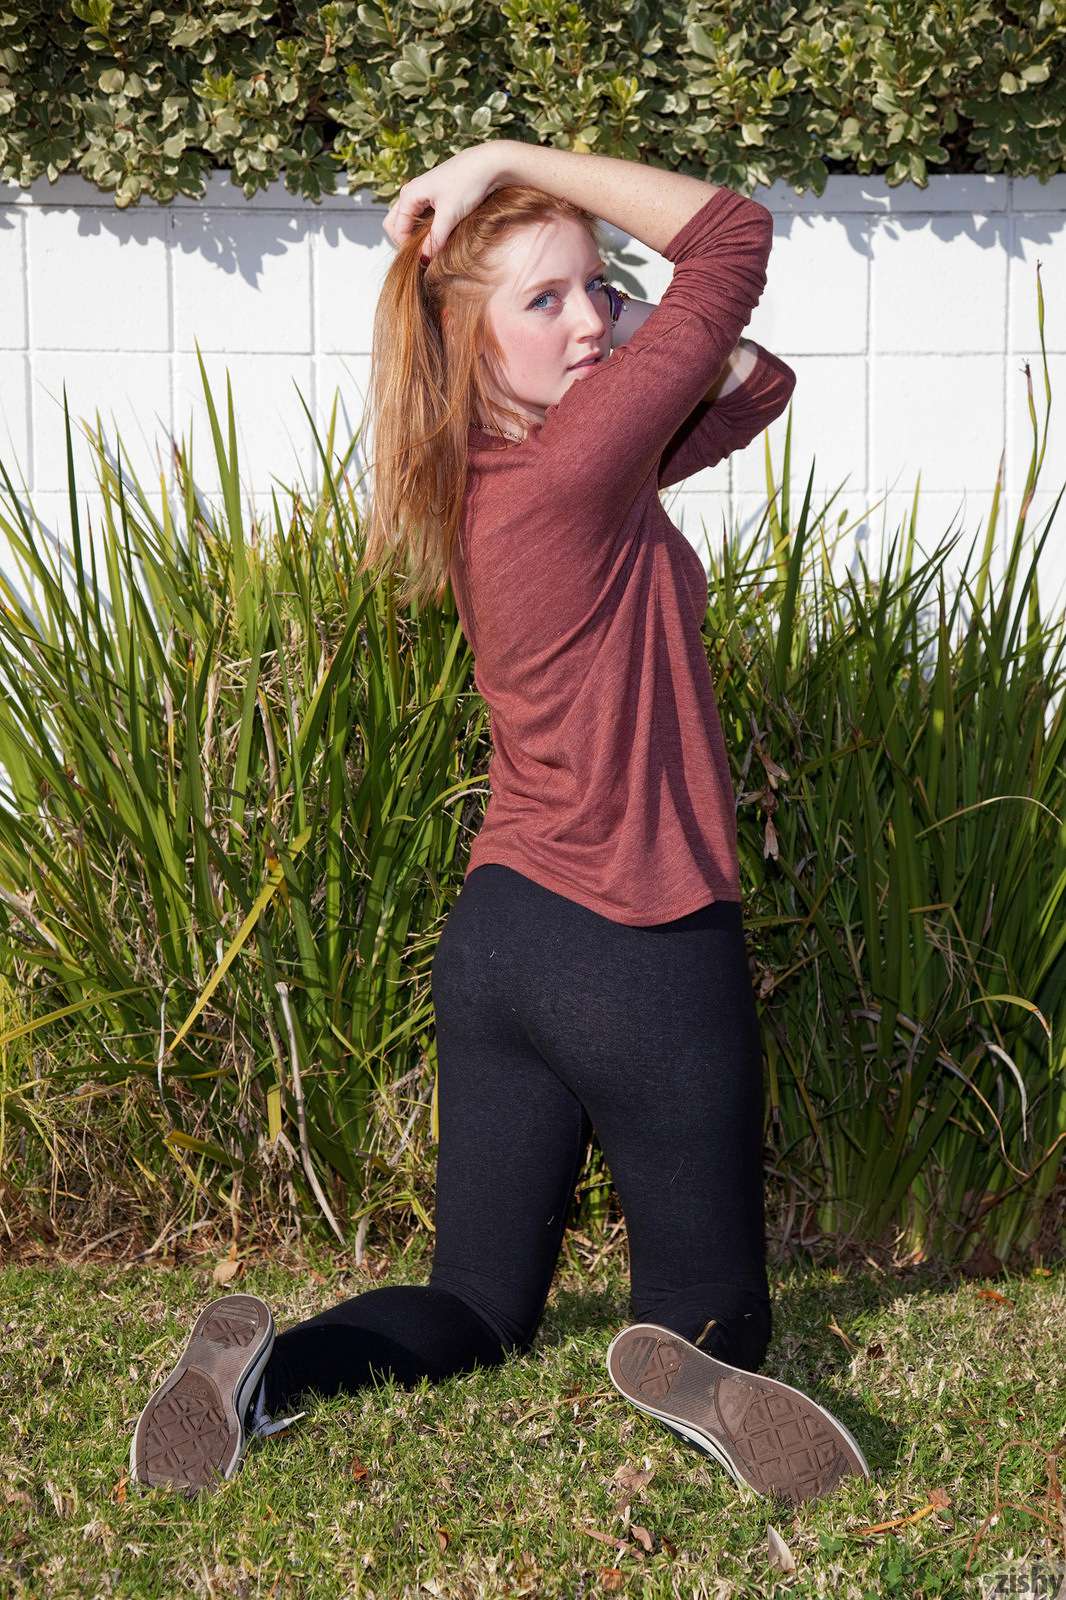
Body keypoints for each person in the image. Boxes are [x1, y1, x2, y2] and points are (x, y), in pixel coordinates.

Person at [130, 139, 871, 1506]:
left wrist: (592, 315)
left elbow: (754, 384)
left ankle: (266, 1378)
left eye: (599, 287)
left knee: (475, 1300)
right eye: (544, 300)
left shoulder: (509, 477)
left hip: (502, 945)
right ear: (469, 346)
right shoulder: (585, 464)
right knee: (718, 1314)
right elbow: (732, 239)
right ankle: (688, 1357)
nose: (590, 319)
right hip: (638, 946)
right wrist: (509, 159)